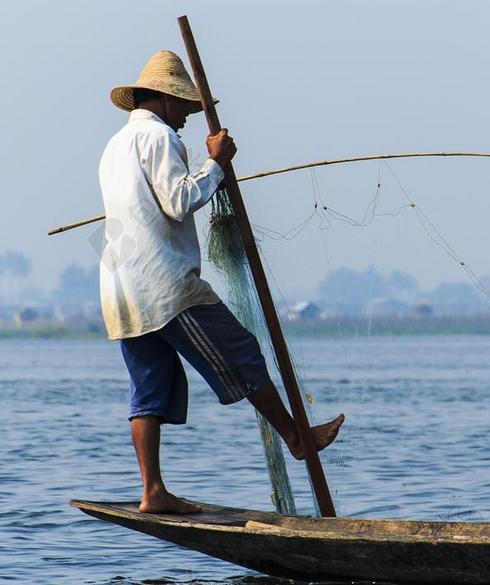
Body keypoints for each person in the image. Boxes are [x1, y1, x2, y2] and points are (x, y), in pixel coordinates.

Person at [99, 50, 344, 514]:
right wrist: (216, 163)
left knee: (149, 388)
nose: (189, 117)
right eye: (186, 106)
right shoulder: (161, 138)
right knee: (242, 352)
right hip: (163, 284)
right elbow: (178, 200)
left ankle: (152, 492)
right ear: (165, 99)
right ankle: (295, 436)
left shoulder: (115, 146)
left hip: (119, 288)